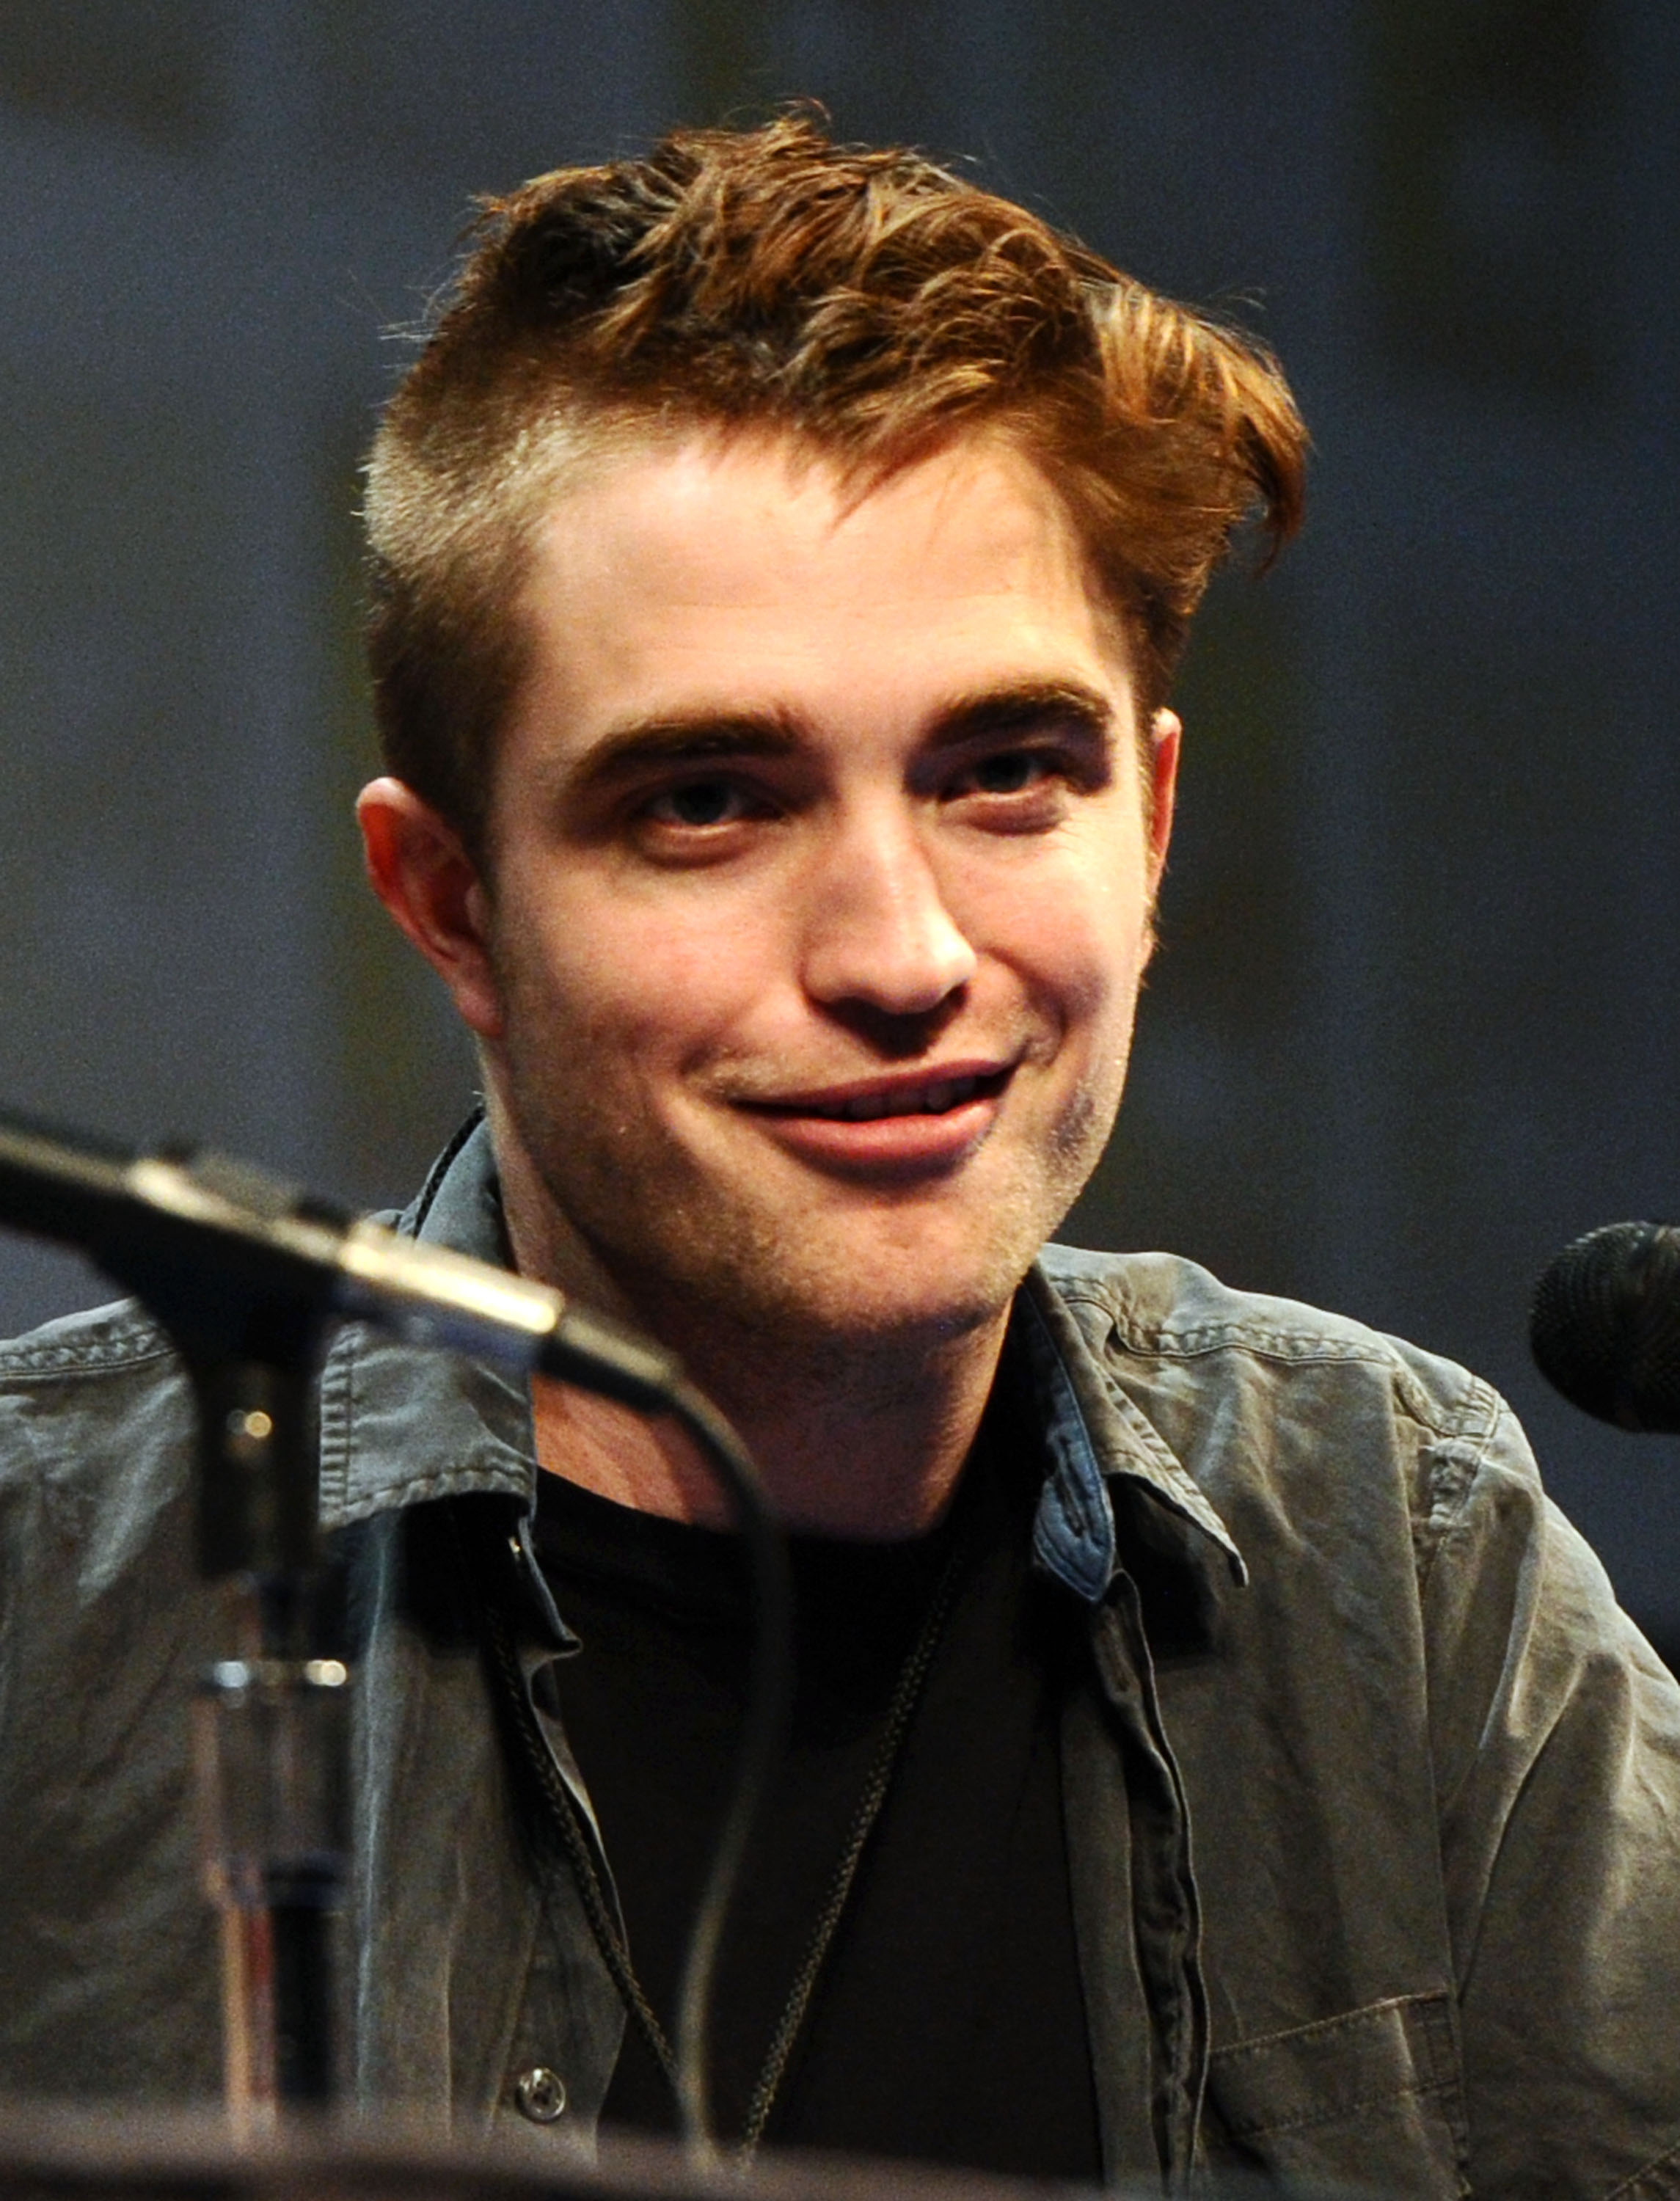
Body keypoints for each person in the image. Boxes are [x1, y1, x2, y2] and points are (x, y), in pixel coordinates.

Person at [3, 113, 1679, 2198]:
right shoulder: (45, 1583)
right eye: (709, 801)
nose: (901, 956)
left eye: (1007, 772)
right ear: (449, 904)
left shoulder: (1395, 1549)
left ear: (1151, 830)